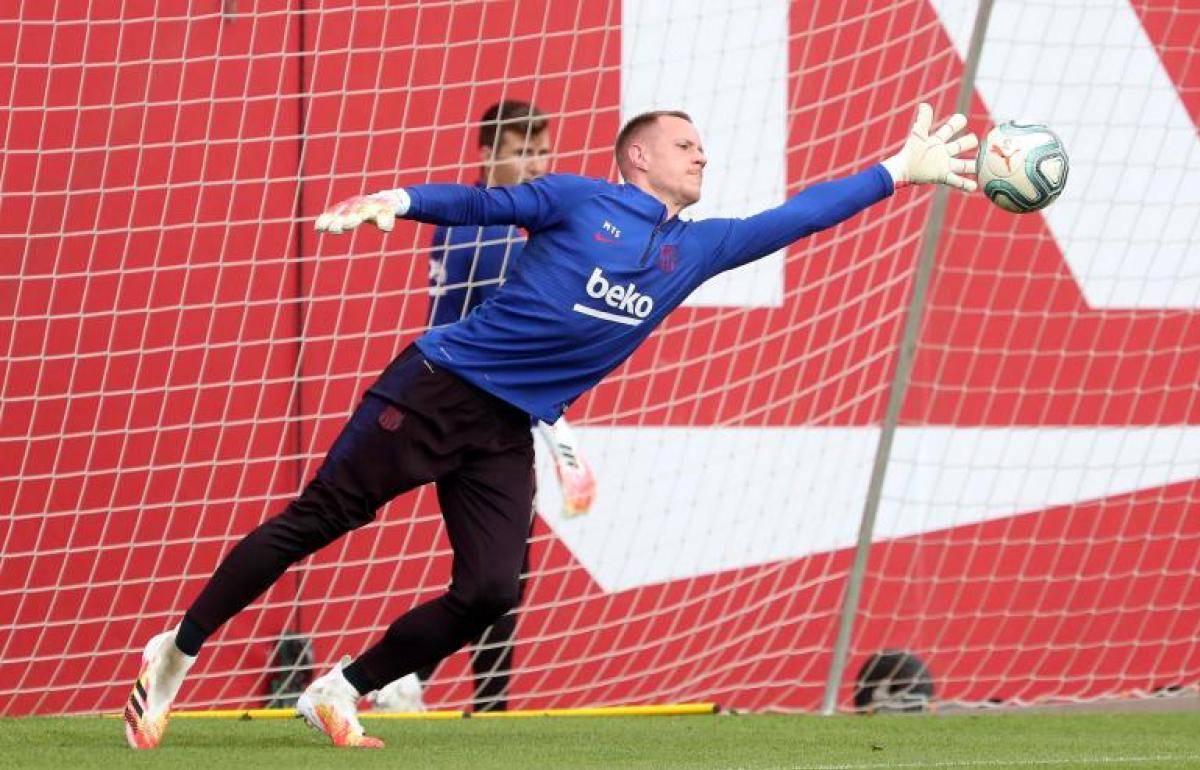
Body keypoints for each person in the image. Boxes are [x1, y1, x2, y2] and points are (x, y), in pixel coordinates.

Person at [122, 102, 978, 749]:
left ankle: (341, 688)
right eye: (686, 145)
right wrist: (399, 198)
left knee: (492, 590)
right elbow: (478, 206)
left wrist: (898, 171)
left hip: (505, 430)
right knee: (318, 521)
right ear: (638, 157)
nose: (702, 155)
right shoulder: (577, 199)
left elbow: (795, 218)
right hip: (436, 386)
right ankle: (179, 650)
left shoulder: (698, 249)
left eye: (703, 147)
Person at [366, 100, 596, 715]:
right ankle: (424, 684)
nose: (534, 163)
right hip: (470, 408)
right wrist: (564, 443)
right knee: (498, 574)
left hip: (461, 400)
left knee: (498, 572)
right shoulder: (496, 233)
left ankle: (429, 685)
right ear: (488, 155)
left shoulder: (476, 221)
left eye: (541, 150)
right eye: (520, 151)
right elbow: (519, 351)